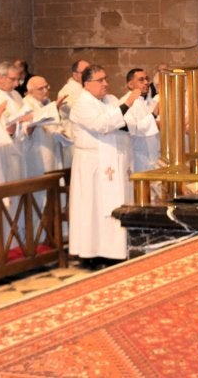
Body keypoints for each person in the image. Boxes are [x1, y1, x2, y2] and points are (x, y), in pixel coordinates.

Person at [68, 65, 138, 267]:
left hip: (115, 162)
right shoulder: (82, 103)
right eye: (100, 80)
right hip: (93, 166)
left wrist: (122, 116)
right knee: (94, 208)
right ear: (87, 84)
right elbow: (102, 125)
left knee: (116, 203)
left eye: (106, 79)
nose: (106, 84)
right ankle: (92, 252)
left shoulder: (111, 100)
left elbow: (130, 122)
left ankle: (114, 250)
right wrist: (127, 105)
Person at [19, 76, 63, 177]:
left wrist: (59, 131)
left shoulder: (48, 103)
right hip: (37, 154)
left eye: (46, 87)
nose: (45, 91)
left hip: (51, 149)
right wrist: (31, 126)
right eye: (40, 89)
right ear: (30, 91)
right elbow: (24, 131)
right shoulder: (26, 105)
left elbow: (53, 126)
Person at [123, 68, 161, 174]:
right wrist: (154, 116)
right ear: (130, 84)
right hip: (139, 158)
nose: (146, 82)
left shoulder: (149, 101)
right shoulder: (126, 103)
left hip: (154, 156)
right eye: (141, 80)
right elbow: (132, 128)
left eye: (146, 79)